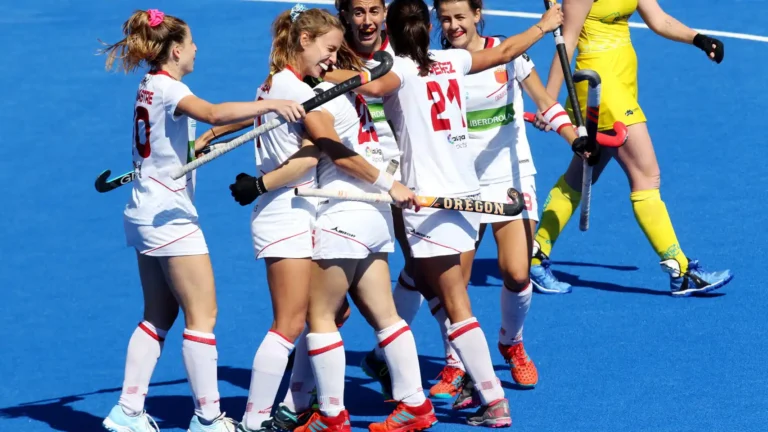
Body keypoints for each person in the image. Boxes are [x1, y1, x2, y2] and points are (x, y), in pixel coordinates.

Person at [321, 0, 564, 426]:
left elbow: (372, 88)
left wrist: (318, 73)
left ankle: (490, 400)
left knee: (453, 302)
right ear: (429, 26)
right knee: (438, 291)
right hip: (464, 195)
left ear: (391, 33)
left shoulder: (394, 69)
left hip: (425, 201)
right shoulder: (452, 60)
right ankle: (405, 369)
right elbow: (506, 52)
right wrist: (544, 26)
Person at [97, 8, 305, 432]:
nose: (196, 49)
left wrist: (250, 119)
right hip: (170, 218)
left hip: (142, 212)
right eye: (191, 43)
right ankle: (208, 418)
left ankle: (128, 411)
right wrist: (276, 103)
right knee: (203, 316)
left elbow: (181, 138)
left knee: (158, 315)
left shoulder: (149, 85)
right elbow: (210, 112)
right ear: (176, 50)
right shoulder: (174, 90)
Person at [223, 5, 417, 432]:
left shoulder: (283, 85)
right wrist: (390, 184)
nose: (331, 59)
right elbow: (314, 153)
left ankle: (295, 409)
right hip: (291, 213)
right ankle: (265, 418)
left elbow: (307, 149)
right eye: (328, 49)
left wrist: (219, 139)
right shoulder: (297, 89)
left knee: (323, 315)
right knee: (296, 322)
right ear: (304, 41)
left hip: (307, 209)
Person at [425, 0, 592, 398]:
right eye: (445, 18)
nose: (453, 25)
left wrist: (576, 139)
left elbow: (546, 103)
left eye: (460, 16)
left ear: (478, 14)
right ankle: (455, 363)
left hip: (509, 175)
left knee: (517, 272)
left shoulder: (510, 52)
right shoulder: (433, 63)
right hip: (458, 182)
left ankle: (511, 342)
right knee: (456, 283)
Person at [528, 0, 733, 297]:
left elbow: (658, 19)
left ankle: (536, 255)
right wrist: (548, 102)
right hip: (601, 87)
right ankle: (679, 267)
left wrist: (698, 39)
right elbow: (567, 40)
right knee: (647, 176)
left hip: (623, 81)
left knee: (580, 176)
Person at [332, 0, 429, 399]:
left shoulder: (401, 48)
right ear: (344, 13)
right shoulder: (329, 48)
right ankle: (312, 383)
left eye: (375, 10)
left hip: (399, 178)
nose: (367, 20)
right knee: (333, 300)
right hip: (346, 182)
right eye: (358, 12)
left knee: (423, 270)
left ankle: (381, 356)